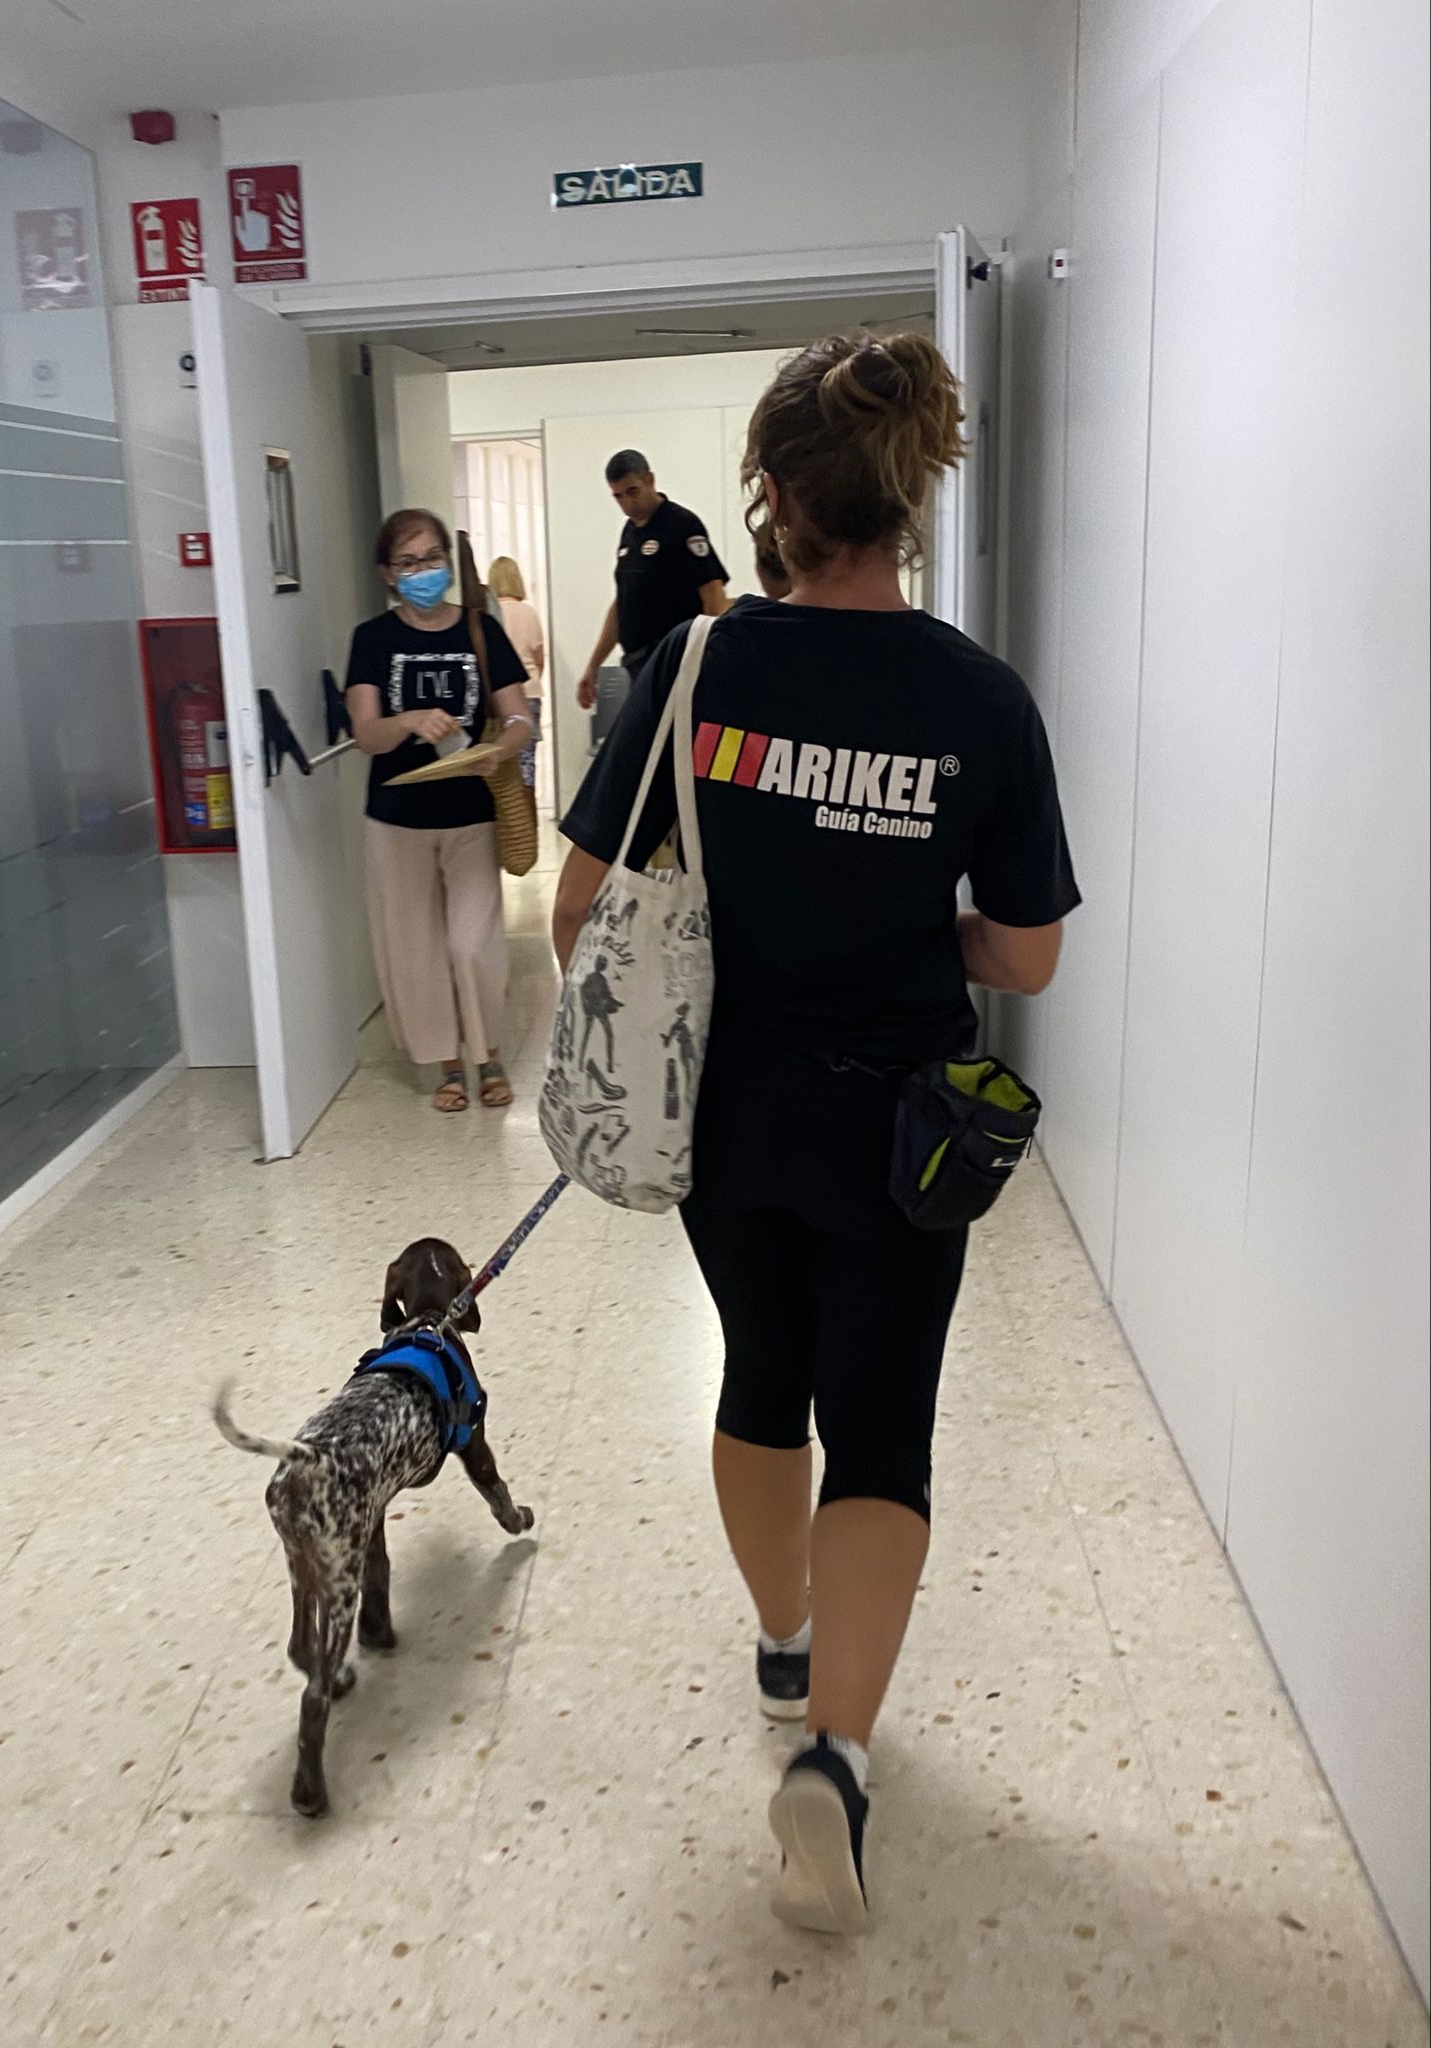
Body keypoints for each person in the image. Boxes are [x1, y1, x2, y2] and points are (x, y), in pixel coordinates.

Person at [551, 333, 1079, 1934]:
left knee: (761, 1375)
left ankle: (781, 1642)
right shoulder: (982, 700)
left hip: (729, 1115)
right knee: (887, 1420)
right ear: (913, 501)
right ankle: (837, 1758)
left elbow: (579, 908)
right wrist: (926, 938)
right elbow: (1028, 951)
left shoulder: (697, 675)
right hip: (905, 1132)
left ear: (769, 501)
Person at [346, 511, 534, 1113]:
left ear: (448, 567)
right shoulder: (372, 639)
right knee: (415, 951)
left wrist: (500, 748)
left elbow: (520, 717)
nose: (422, 572)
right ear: (387, 574)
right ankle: (449, 1066)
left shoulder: (482, 630)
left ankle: (490, 1053)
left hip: (471, 815)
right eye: (408, 563)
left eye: (432, 559)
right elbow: (366, 734)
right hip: (396, 821)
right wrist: (405, 722)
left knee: (470, 944)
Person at [575, 450, 730, 711]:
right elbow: (623, 603)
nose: (626, 503)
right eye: (618, 496)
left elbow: (713, 594)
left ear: (650, 480)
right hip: (637, 662)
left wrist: (709, 660)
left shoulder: (682, 524)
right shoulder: (629, 533)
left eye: (632, 491)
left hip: (674, 659)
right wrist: (593, 667)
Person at [486, 556, 546, 789]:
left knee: (500, 762)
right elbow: (539, 658)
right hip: (530, 692)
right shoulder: (528, 612)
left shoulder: (488, 616)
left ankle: (509, 817)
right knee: (527, 759)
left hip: (499, 697)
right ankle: (527, 817)